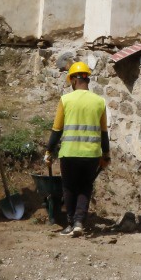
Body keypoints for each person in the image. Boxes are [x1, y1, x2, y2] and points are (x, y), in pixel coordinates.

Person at [47, 61, 109, 237]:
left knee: (69, 188)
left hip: (69, 153)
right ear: (86, 79)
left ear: (74, 80)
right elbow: (104, 133)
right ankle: (79, 222)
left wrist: (49, 150)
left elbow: (56, 130)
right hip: (91, 154)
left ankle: (70, 222)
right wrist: (106, 154)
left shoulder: (66, 100)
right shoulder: (99, 102)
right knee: (85, 187)